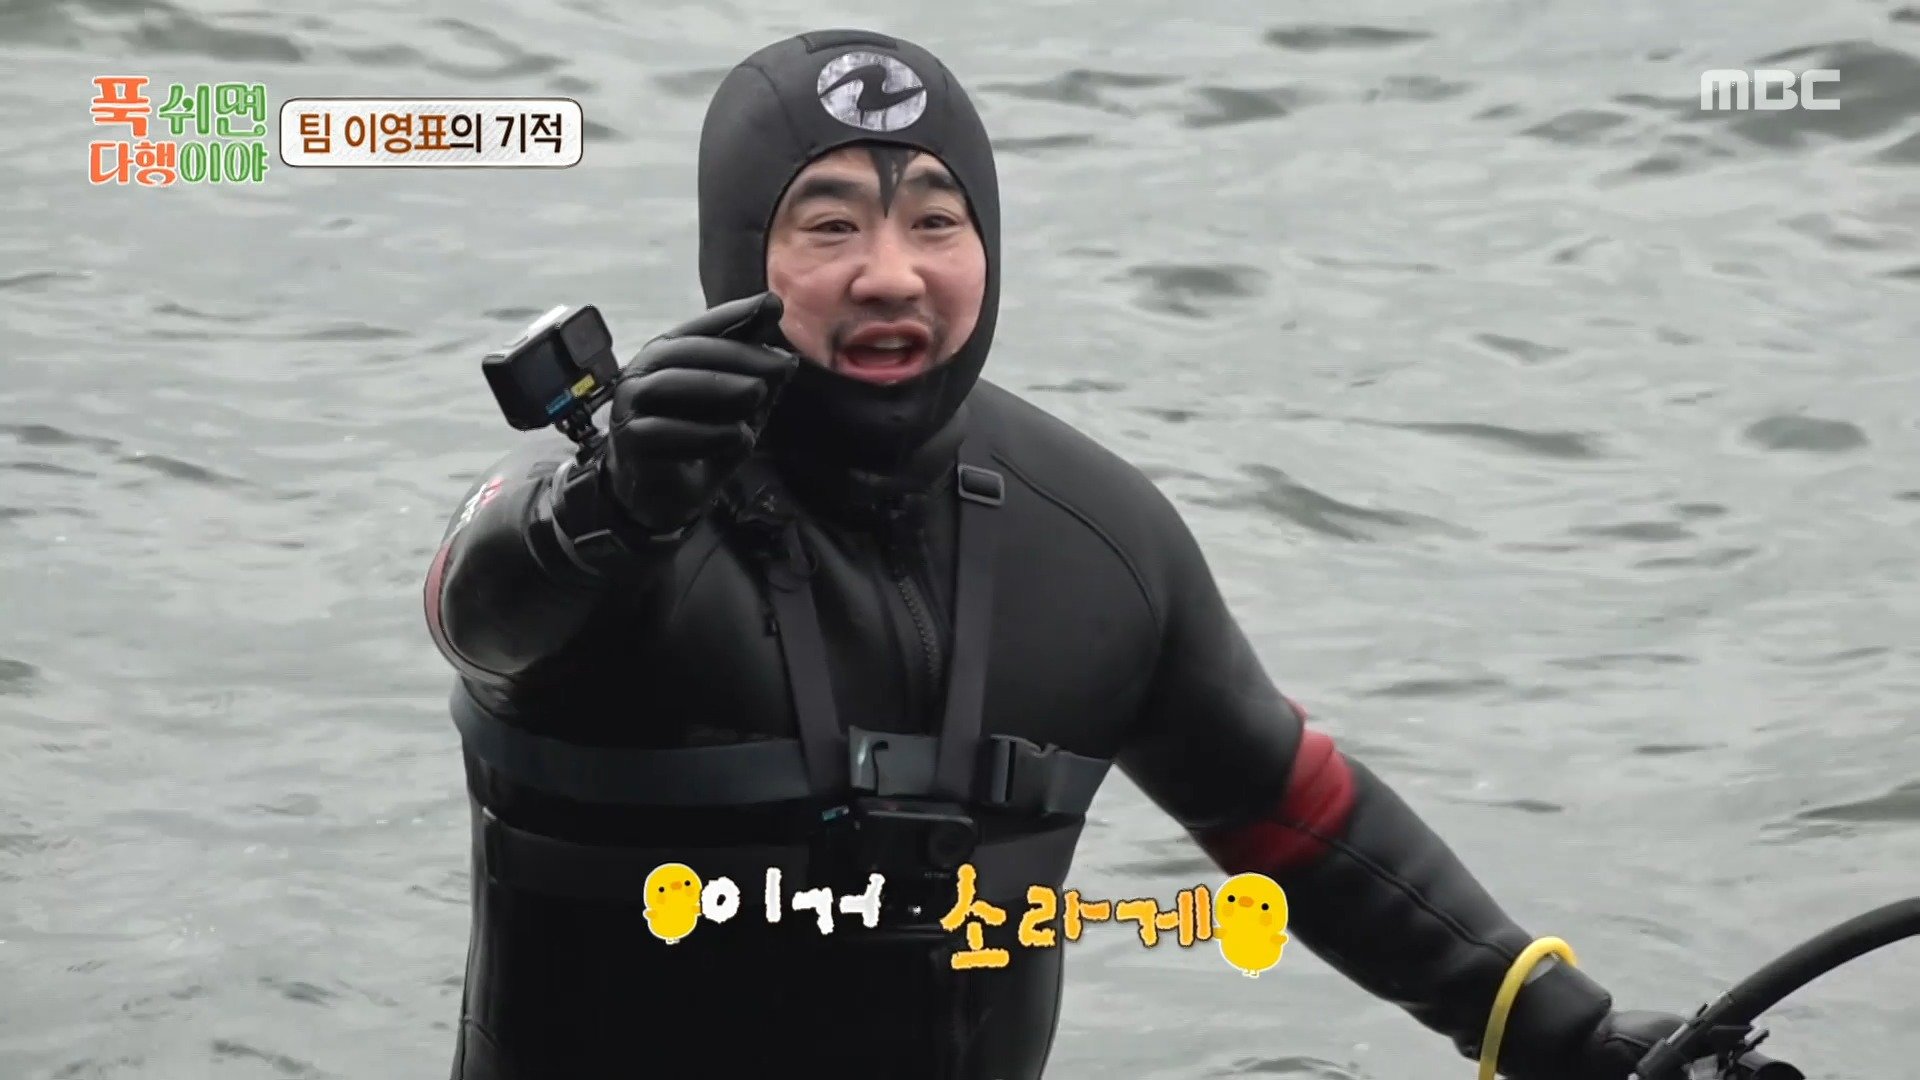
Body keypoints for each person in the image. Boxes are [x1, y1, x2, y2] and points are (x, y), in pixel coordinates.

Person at [422, 27, 1690, 1080]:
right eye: (829, 227)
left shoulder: (1092, 538)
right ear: (736, 258)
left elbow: (1291, 814)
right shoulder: (612, 513)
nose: (891, 275)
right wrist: (612, 508)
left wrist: (1561, 1032)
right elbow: (478, 614)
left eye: (936, 221)